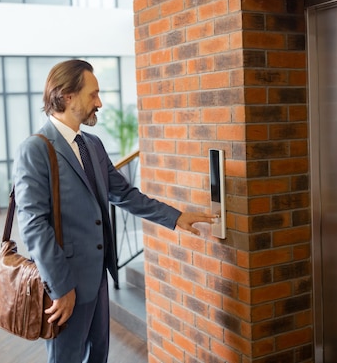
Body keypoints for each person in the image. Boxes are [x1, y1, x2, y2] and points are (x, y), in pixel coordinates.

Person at [12, 59, 216, 363]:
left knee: (98, 356)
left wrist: (175, 217)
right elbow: (33, 225)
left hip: (98, 277)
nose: (100, 103)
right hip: (66, 282)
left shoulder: (92, 145)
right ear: (67, 95)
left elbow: (124, 194)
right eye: (93, 94)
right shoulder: (36, 149)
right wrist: (61, 286)